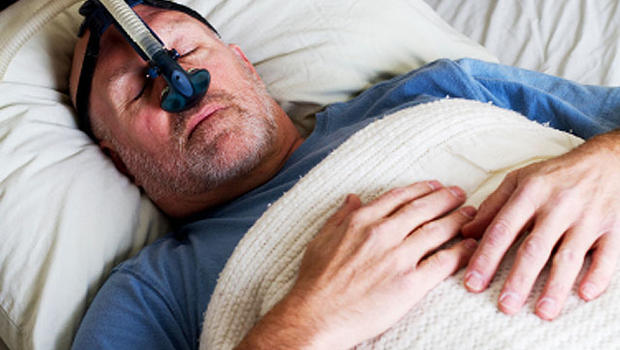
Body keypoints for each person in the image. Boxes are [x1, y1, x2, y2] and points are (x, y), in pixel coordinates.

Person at [69, 1, 620, 349]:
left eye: (187, 50)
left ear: (243, 61)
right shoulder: (154, 294)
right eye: (139, 89)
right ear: (119, 159)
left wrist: (607, 163)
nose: (181, 82)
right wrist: (307, 323)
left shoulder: (438, 89)